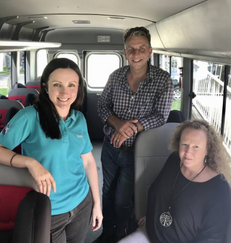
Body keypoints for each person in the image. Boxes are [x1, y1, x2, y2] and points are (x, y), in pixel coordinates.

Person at [0, 58, 103, 243]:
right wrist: (30, 162)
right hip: (49, 209)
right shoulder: (29, 116)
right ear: (46, 87)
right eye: (57, 85)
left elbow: (88, 161)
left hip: (81, 202)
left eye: (72, 85)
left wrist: (97, 203)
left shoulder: (79, 118)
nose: (65, 92)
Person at [96, 26, 174, 242]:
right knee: (107, 192)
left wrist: (131, 128)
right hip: (111, 147)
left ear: (149, 51)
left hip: (136, 152)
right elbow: (102, 107)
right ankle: (107, 232)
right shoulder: (115, 76)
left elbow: (161, 115)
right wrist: (118, 124)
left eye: (141, 48)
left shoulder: (162, 79)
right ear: (125, 52)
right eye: (131, 49)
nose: (136, 54)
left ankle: (121, 233)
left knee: (122, 198)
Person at [118, 119, 231, 243]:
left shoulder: (219, 189)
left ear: (208, 150)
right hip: (150, 234)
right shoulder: (174, 160)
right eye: (184, 144)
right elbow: (160, 195)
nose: (188, 152)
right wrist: (153, 215)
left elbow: (212, 239)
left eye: (196, 147)